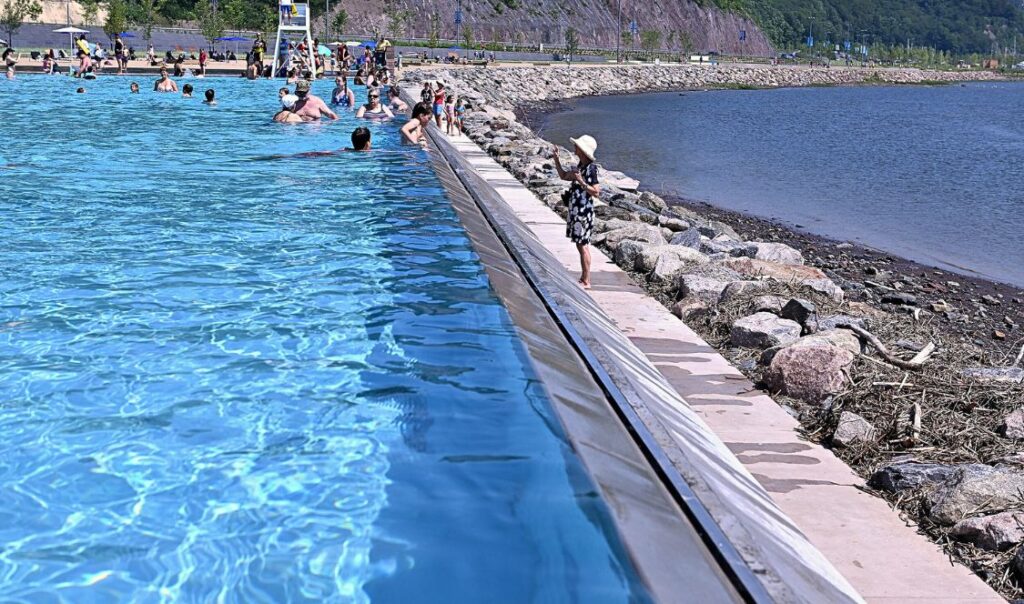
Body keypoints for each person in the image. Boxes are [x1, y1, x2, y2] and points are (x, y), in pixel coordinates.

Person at [553, 135, 600, 289]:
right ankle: (583, 278)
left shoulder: (591, 168)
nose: (575, 148)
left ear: (583, 150)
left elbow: (596, 192)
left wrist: (581, 181)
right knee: (580, 244)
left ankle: (586, 280)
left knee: (583, 244)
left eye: (577, 146)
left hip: (583, 211)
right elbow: (563, 176)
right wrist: (556, 160)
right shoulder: (580, 166)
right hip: (576, 210)